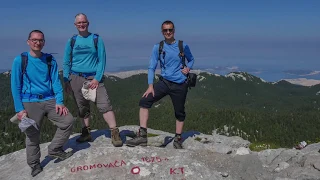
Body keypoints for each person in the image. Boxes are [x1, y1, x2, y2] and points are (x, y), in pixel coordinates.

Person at [10, 30, 75, 177]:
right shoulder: (20, 60)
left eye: (40, 40)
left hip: (50, 99)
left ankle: (55, 149)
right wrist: (19, 109)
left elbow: (55, 82)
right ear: (28, 41)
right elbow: (15, 86)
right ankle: (34, 165)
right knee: (32, 135)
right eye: (34, 40)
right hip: (30, 101)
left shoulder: (49, 59)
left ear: (44, 42)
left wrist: (60, 101)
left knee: (68, 121)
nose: (37, 42)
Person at [126, 20, 195, 149]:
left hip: (180, 84)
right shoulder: (158, 47)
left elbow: (191, 59)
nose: (168, 32)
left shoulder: (182, 45)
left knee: (179, 112)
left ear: (174, 31)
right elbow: (151, 67)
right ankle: (142, 136)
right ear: (162, 32)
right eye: (165, 30)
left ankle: (178, 138)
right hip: (164, 82)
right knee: (144, 101)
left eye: (170, 30)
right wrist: (150, 85)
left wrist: (188, 68)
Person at [63, 13, 123, 147]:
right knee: (82, 107)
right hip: (75, 77)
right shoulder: (71, 41)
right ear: (75, 25)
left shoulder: (96, 39)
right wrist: (66, 80)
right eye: (79, 23)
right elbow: (66, 61)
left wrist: (97, 78)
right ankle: (86, 132)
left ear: (88, 23)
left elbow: (102, 60)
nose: (81, 24)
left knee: (104, 104)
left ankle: (114, 132)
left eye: (83, 22)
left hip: (93, 77)